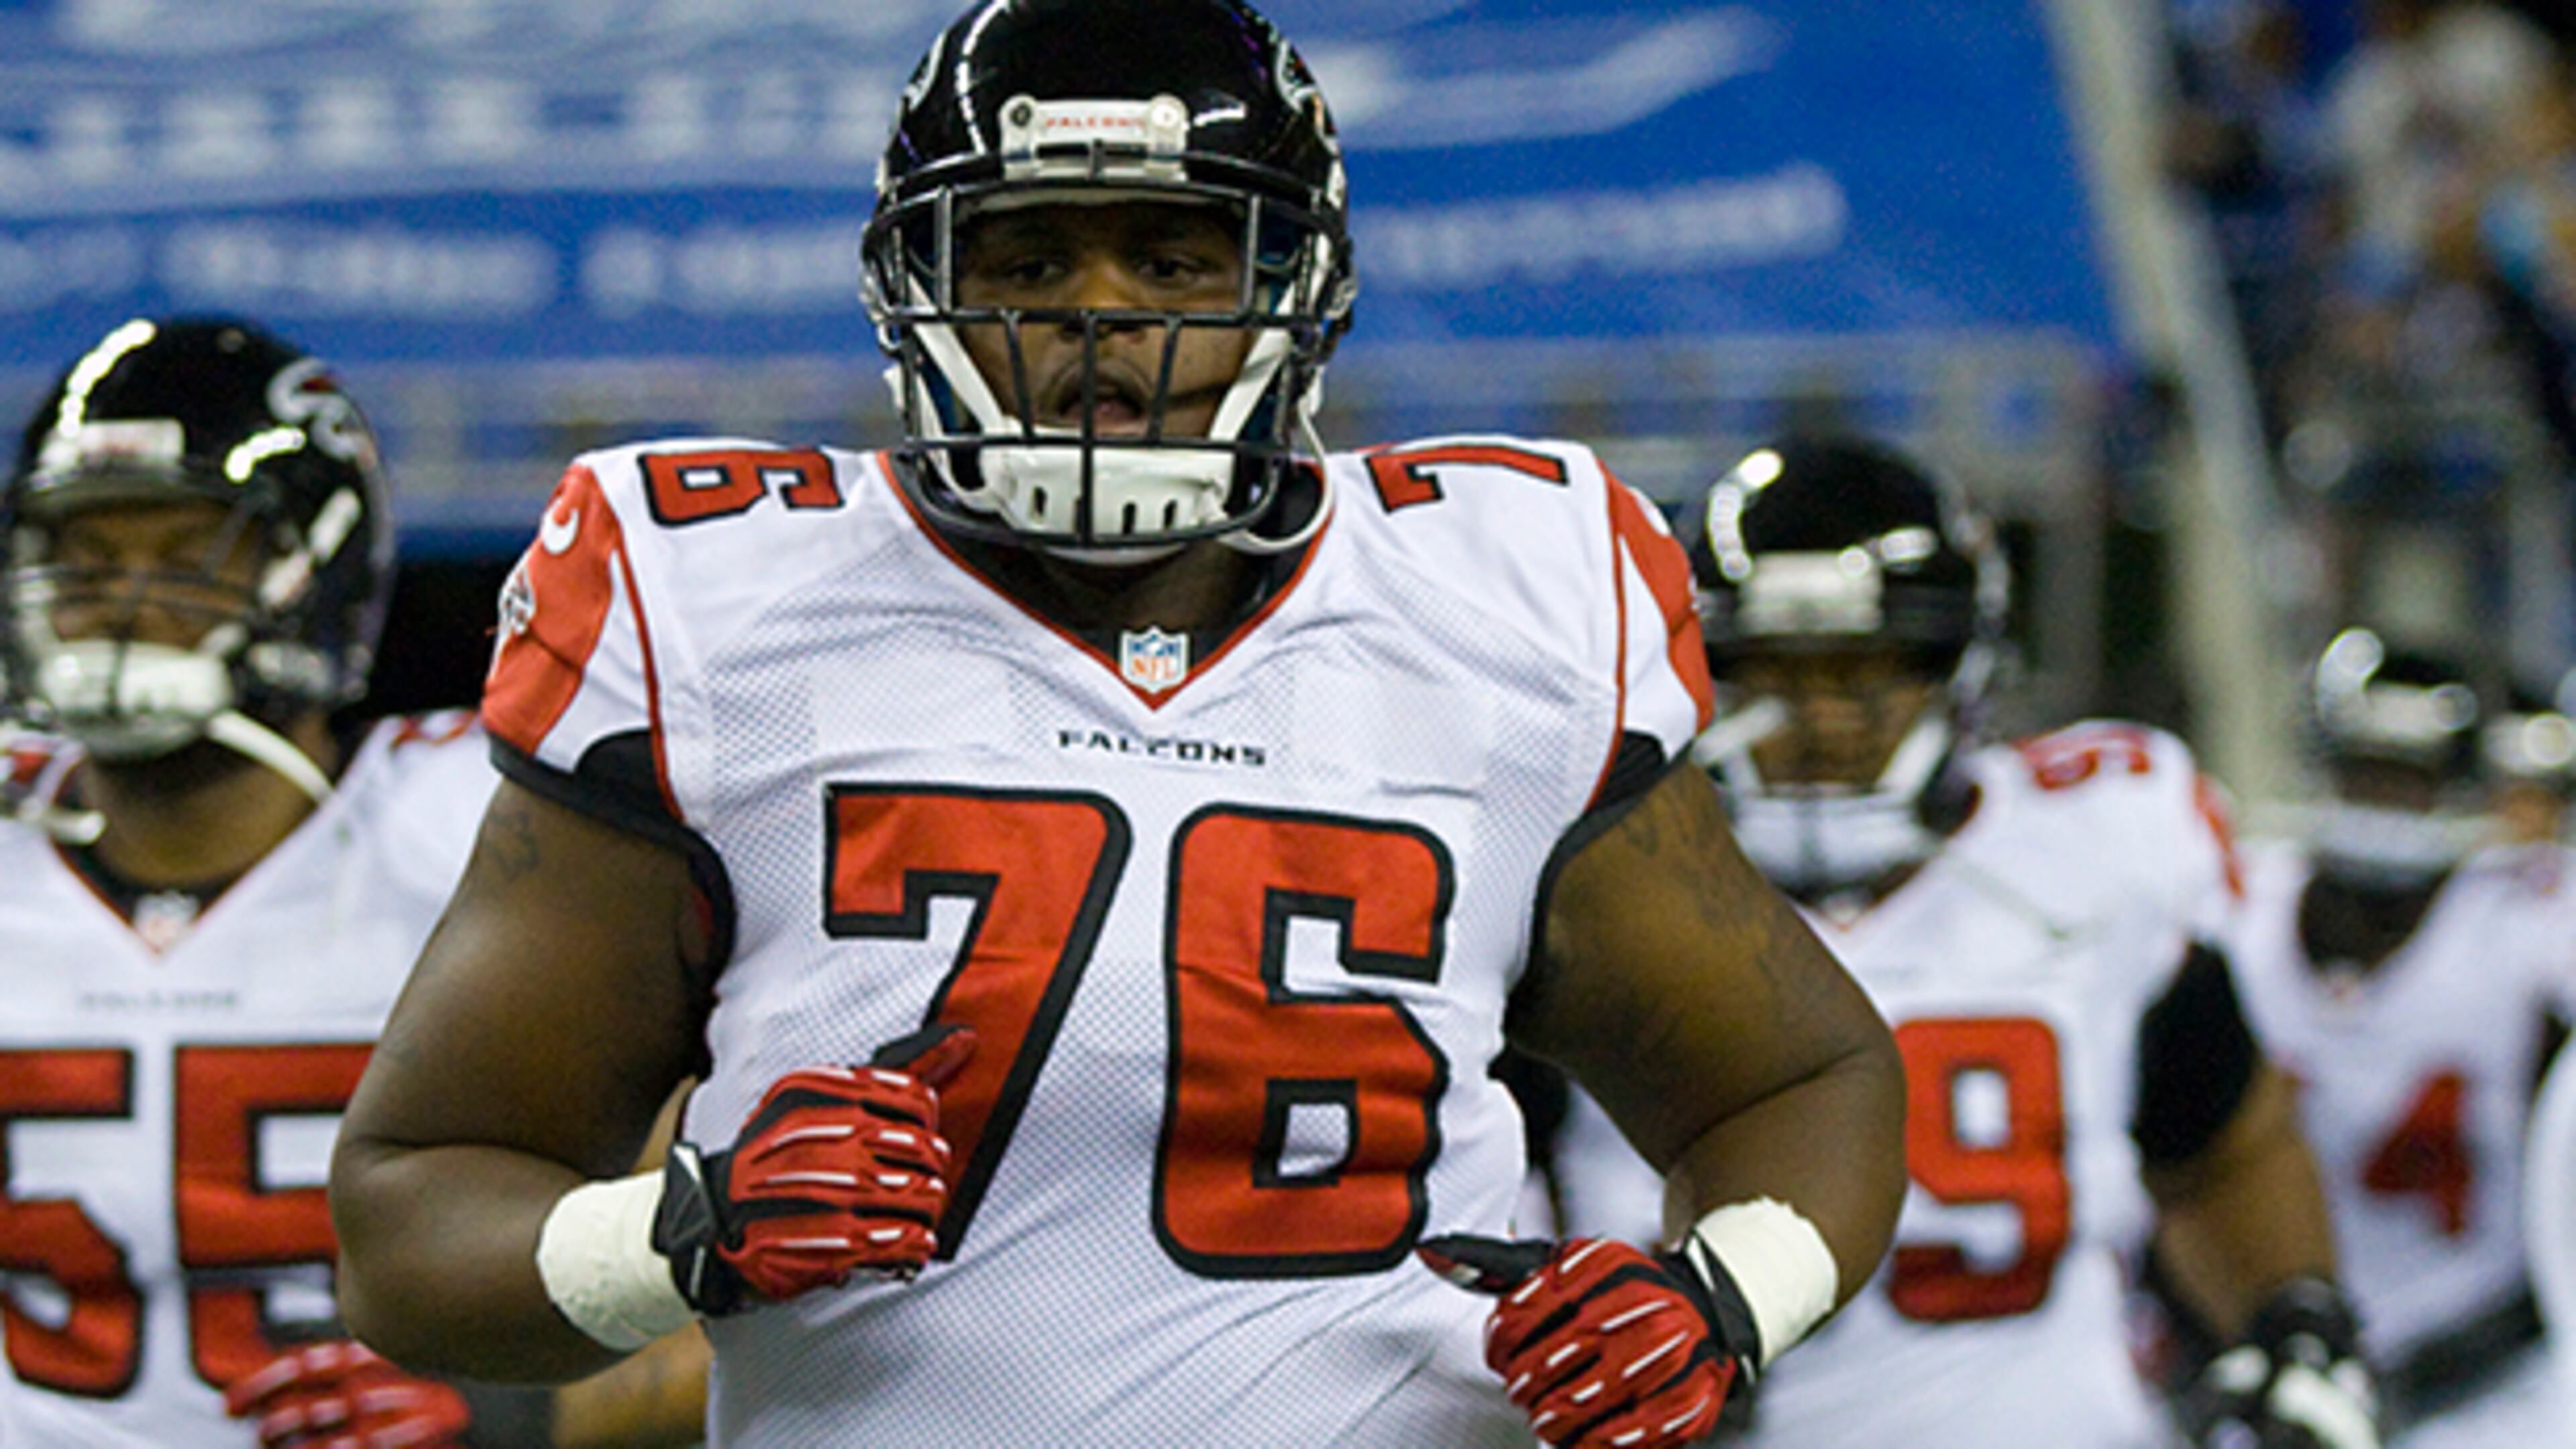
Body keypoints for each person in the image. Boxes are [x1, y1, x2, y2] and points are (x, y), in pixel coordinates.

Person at [324, 2, 1911, 1446]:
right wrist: (682, 1230)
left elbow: (1799, 1076)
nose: (1098, 314)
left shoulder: (1505, 599)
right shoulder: (718, 610)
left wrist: (1718, 1295)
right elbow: (409, 1215)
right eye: (1025, 257)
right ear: (918, 284)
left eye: (1170, 259)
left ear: (1293, 291)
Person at [0, 316, 714, 1449]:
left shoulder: (481, 825)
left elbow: (727, 1256)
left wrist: (510, 1419)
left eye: (186, 555)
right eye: (85, 559)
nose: (125, 602)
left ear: (316, 568)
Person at [1609, 435, 2372, 1446]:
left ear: (1961, 666)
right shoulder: (1603, 885)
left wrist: (2292, 1325)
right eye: (1772, 672)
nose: (1819, 717)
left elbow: (2221, 1147)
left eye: (1866, 671)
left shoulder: (2096, 853)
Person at [2221, 628, 2576, 1445]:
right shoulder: (2241, 912)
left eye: (2407, 777)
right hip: (2272, 1367)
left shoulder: (2529, 934)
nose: (2381, 797)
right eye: (2364, 768)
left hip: (2489, 1392)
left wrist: (2400, 1381)